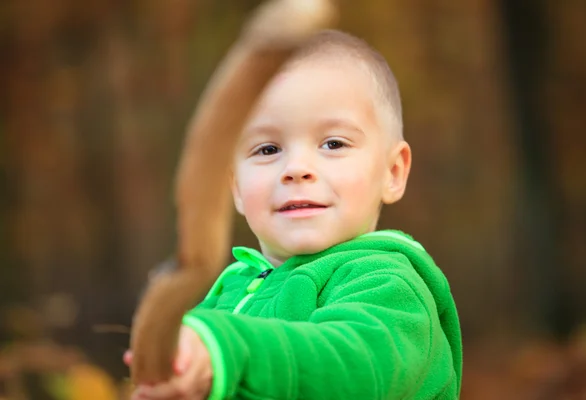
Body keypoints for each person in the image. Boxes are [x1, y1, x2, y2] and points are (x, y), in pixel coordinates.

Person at [126, 29, 462, 400]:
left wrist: (224, 354)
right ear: (236, 186)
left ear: (392, 172)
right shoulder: (225, 296)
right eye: (268, 149)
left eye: (333, 143)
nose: (296, 168)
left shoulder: (389, 285)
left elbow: (354, 367)